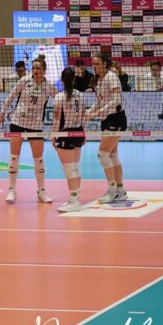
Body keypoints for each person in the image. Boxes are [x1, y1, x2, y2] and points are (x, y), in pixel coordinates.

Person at [0, 57, 57, 205]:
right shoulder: (24, 81)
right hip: (18, 121)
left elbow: (60, 99)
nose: (35, 71)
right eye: (33, 68)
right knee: (14, 157)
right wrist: (1, 113)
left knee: (39, 159)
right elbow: (10, 97)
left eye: (38, 68)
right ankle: (11, 190)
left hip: (35, 125)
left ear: (44, 70)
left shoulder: (49, 86)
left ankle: (41, 191)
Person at [86, 52, 127, 204]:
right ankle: (121, 191)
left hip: (116, 118)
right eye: (93, 64)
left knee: (103, 154)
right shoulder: (98, 79)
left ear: (104, 63)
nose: (94, 66)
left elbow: (116, 100)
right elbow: (99, 101)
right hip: (106, 119)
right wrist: (89, 112)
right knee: (112, 156)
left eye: (97, 63)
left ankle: (112, 190)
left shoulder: (112, 77)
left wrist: (97, 112)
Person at [52, 68, 87, 213]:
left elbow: (56, 119)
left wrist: (53, 136)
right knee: (75, 167)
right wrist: (84, 133)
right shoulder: (81, 95)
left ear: (62, 80)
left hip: (65, 134)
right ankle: (75, 198)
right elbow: (83, 116)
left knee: (69, 169)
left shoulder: (59, 97)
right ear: (74, 79)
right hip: (78, 132)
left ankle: (74, 201)